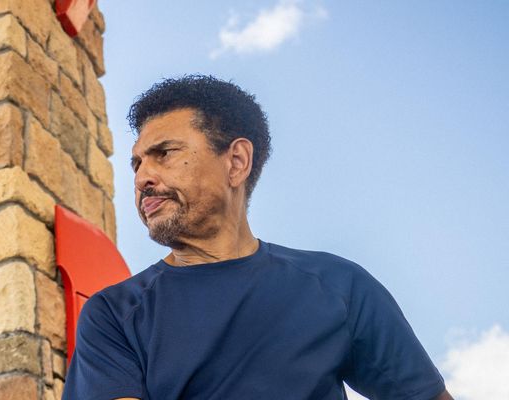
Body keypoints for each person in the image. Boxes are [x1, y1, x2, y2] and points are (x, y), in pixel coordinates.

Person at [63, 75, 450, 399]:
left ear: (236, 162)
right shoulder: (113, 315)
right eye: (137, 163)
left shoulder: (339, 287)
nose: (142, 177)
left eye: (163, 153)